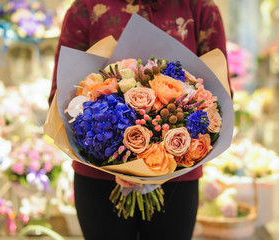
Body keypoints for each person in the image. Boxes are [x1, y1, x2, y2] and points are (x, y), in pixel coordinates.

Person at [49, 1, 231, 239]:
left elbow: (222, 99)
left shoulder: (199, 8)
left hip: (177, 179)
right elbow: (59, 96)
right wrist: (113, 157)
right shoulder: (87, 7)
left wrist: (167, 155)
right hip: (99, 176)